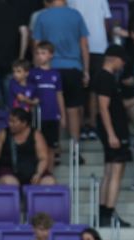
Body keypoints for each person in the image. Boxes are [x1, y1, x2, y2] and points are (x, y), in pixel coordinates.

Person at [33, 0, 92, 145]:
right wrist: (86, 70)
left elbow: (36, 46)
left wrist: (37, 70)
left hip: (49, 69)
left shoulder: (42, 17)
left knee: (53, 109)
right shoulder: (76, 15)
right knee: (73, 109)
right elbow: (84, 45)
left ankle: (55, 146)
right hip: (73, 67)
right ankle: (75, 147)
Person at [93, 45, 132, 227]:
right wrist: (111, 134)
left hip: (115, 130)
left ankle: (104, 213)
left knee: (110, 172)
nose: (122, 65)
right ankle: (108, 212)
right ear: (114, 58)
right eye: (122, 61)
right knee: (116, 172)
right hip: (114, 131)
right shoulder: (105, 78)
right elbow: (103, 107)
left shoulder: (105, 77)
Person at [69, 0, 114, 132]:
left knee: (80, 88)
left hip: (79, 47)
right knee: (95, 88)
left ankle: (81, 124)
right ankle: (93, 124)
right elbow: (107, 21)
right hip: (99, 45)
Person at [0, 108, 56, 185]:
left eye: (13, 121)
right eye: (9, 121)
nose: (10, 124)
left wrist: (38, 174)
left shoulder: (36, 135)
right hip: (8, 170)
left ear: (24, 123)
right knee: (9, 182)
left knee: (49, 182)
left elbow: (43, 158)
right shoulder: (3, 134)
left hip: (33, 170)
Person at [29, 41, 67, 158]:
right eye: (38, 53)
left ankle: (49, 174)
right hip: (39, 116)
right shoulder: (32, 73)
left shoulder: (56, 74)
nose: (40, 56)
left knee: (51, 148)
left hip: (53, 115)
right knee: (39, 146)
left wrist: (63, 115)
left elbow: (59, 95)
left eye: (43, 53)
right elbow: (29, 93)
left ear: (51, 55)